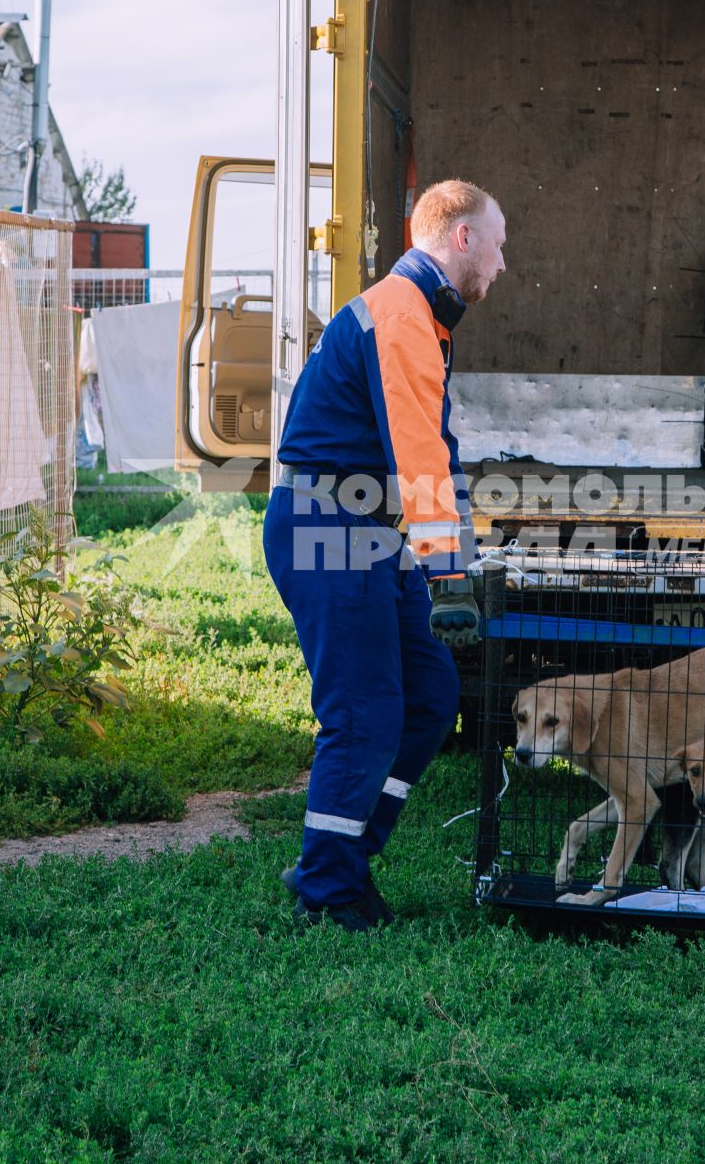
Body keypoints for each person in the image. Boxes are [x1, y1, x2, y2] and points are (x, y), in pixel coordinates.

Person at [262, 180, 506, 932]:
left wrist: (456, 554)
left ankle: (337, 859)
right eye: (498, 244)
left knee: (430, 697)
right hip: (330, 527)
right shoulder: (402, 314)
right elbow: (418, 450)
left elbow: (440, 448)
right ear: (460, 237)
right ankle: (328, 894)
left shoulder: (422, 319)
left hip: (363, 531)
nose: (502, 263)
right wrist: (448, 571)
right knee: (363, 713)